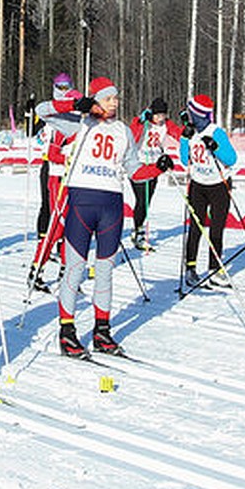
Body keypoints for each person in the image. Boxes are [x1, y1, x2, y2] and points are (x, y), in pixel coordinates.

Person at [55, 76, 170, 357]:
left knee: (105, 271)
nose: (114, 102)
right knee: (75, 267)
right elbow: (43, 110)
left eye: (116, 98)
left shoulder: (123, 131)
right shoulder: (79, 122)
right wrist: (75, 104)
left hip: (112, 205)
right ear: (96, 100)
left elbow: (134, 170)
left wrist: (157, 168)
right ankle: (67, 331)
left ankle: (102, 331)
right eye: (108, 98)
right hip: (82, 201)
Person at [26, 79, 81, 294]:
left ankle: (66, 273)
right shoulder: (59, 126)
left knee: (72, 228)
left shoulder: (81, 127)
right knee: (56, 227)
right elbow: (53, 154)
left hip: (74, 181)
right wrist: (68, 157)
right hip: (57, 178)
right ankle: (36, 271)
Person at [178, 94, 238, 287]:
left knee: (217, 228)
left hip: (219, 185)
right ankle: (191, 267)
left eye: (191, 113)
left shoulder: (216, 132)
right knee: (195, 227)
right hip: (198, 185)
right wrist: (184, 140)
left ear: (198, 115)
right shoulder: (189, 132)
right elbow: (184, 159)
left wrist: (216, 147)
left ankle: (214, 269)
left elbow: (231, 159)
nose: (189, 116)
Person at [129, 96, 178, 251]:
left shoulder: (166, 124)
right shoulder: (143, 123)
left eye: (163, 115)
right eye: (157, 115)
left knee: (147, 202)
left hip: (155, 166)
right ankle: (139, 232)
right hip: (138, 164)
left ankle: (138, 227)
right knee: (142, 200)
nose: (160, 118)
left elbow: (179, 133)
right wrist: (140, 122)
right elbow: (132, 137)